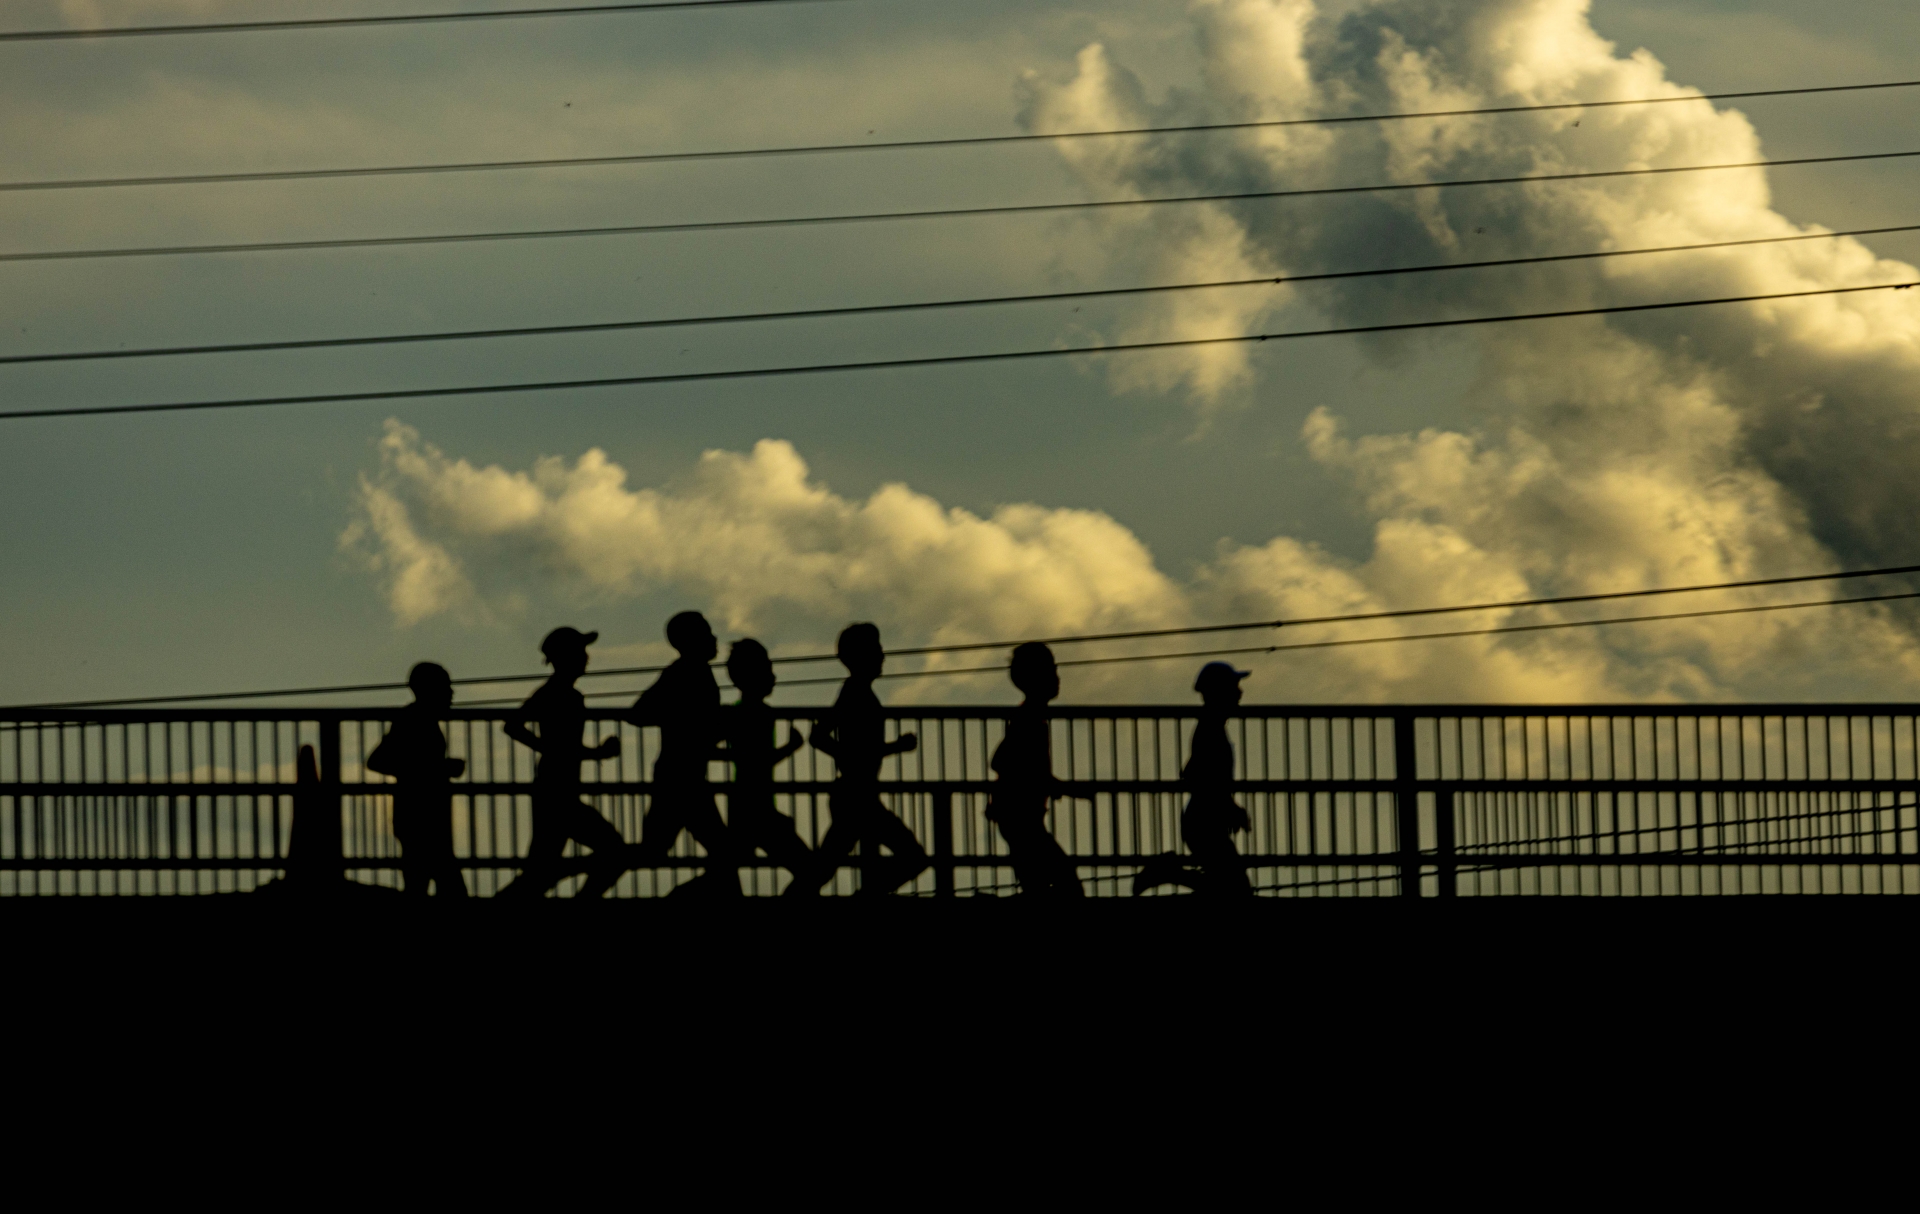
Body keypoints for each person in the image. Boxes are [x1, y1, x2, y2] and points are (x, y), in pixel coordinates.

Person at [793, 623, 927, 896]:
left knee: (826, 865)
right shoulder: (855, 692)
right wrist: (894, 748)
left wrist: (864, 754)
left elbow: (827, 738)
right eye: (875, 649)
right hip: (856, 795)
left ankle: (861, 895)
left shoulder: (856, 691)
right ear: (860, 656)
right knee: (911, 857)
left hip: (858, 793)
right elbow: (820, 736)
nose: (882, 656)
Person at [497, 627, 630, 899]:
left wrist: (589, 753)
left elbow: (562, 746)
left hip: (556, 788)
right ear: (566, 656)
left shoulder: (564, 694)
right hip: (556, 792)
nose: (586, 657)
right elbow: (515, 727)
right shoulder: (555, 692)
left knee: (539, 871)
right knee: (614, 850)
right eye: (581, 652)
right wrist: (560, 750)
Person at [626, 611, 738, 896]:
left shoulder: (689, 671)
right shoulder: (685, 671)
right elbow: (638, 714)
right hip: (682, 779)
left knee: (655, 850)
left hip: (680, 776)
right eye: (707, 633)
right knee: (722, 852)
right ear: (692, 640)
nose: (714, 639)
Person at [1132, 662, 1253, 896]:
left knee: (1228, 889)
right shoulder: (1210, 728)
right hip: (1204, 822)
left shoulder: (1211, 726)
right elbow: (1203, 778)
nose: (1239, 692)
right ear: (1219, 692)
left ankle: (1167, 872)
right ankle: (1167, 872)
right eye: (1234, 686)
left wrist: (1228, 806)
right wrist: (1229, 806)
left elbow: (1196, 774)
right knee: (1236, 890)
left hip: (1203, 820)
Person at [986, 643, 1083, 897]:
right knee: (1066, 884)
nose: (1057, 677)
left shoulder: (1031, 716)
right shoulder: (1028, 718)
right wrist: (1049, 784)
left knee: (1037, 885)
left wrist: (1050, 783)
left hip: (1019, 815)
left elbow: (1015, 764)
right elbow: (1002, 761)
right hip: (1020, 817)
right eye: (1051, 670)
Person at [366, 662, 469, 898]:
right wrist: (438, 768)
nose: (451, 693)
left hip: (419, 816)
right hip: (419, 817)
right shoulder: (412, 719)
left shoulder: (417, 719)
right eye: (446, 687)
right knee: (446, 886)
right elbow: (377, 761)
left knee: (423, 883)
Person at [718, 638, 814, 893]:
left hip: (747, 804)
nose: (773, 676)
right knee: (809, 870)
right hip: (756, 808)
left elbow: (749, 758)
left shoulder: (736, 712)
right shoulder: (755, 714)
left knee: (726, 870)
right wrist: (791, 747)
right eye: (767, 669)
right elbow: (759, 760)